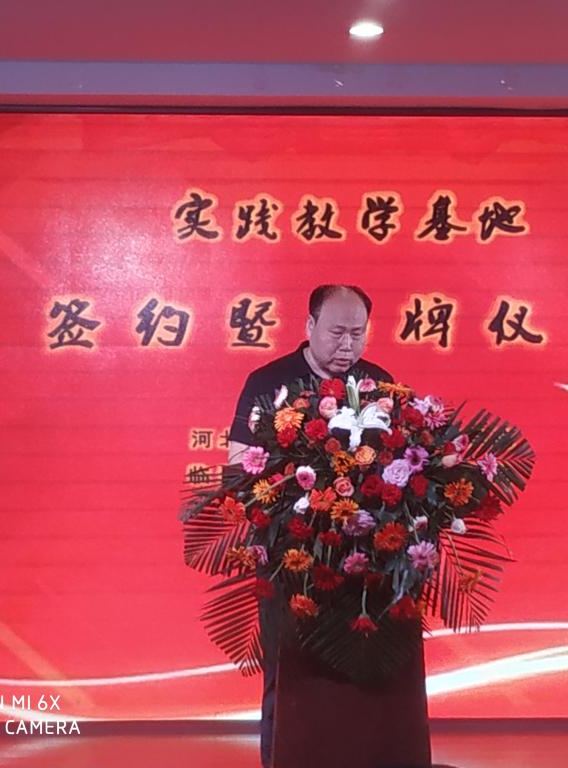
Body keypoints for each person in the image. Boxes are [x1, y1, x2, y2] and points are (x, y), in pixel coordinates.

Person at [226, 284, 393, 768]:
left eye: (357, 334)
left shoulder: (380, 384)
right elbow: (238, 469)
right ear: (309, 326)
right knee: (288, 674)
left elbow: (400, 464)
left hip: (363, 560)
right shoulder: (268, 382)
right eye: (337, 332)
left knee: (363, 673)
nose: (347, 345)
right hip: (290, 557)